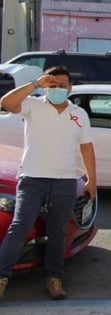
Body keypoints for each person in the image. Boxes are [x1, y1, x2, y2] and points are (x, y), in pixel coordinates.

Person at [0, 66, 96, 300]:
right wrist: (35, 84)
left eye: (63, 85)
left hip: (64, 181)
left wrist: (92, 179)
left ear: (70, 88)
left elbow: (86, 147)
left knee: (57, 232)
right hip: (32, 179)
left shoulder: (78, 114)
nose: (58, 89)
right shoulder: (33, 105)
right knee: (20, 226)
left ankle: (54, 278)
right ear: (46, 85)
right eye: (53, 85)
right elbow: (6, 102)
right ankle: (2, 277)